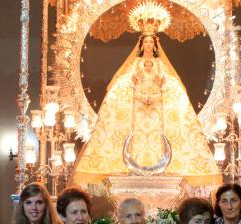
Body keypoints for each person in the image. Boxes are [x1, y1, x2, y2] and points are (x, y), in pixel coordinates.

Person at [72, 28, 221, 186]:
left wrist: (159, 93)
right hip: (137, 109)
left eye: (151, 41)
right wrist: (139, 93)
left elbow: (167, 82)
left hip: (158, 108)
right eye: (146, 42)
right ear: (141, 45)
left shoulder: (159, 64)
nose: (149, 44)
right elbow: (128, 82)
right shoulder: (135, 64)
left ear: (155, 45)